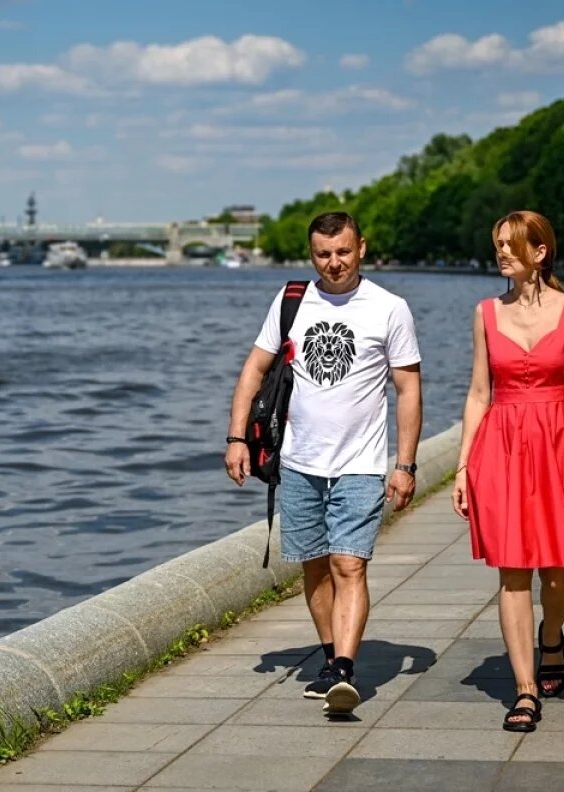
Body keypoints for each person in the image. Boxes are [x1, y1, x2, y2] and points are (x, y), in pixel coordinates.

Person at [224, 211, 422, 715]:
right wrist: (236, 438)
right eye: (323, 254)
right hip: (298, 461)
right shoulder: (292, 301)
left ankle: (345, 668)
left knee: (348, 564)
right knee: (314, 567)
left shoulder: (389, 308)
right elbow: (255, 368)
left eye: (343, 252)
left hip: (360, 461)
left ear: (362, 248)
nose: (334, 263)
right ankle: (333, 659)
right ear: (312, 254)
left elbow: (407, 389)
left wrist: (406, 464)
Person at [452, 210, 564, 733]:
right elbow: (478, 393)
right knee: (513, 571)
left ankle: (552, 635)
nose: (501, 253)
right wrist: (462, 464)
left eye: (511, 245)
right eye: (497, 244)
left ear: (540, 252)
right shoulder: (485, 313)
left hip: (560, 444)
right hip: (501, 447)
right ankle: (523, 691)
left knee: (560, 571)